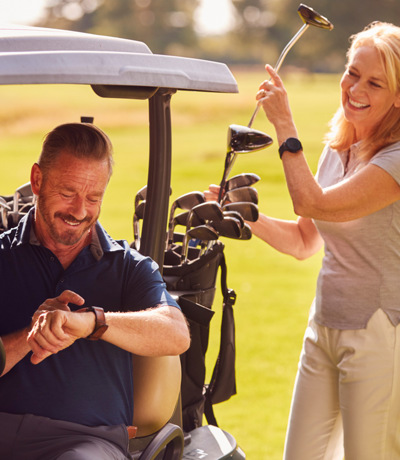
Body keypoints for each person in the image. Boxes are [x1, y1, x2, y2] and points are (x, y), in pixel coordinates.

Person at [207, 21, 400, 460]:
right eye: (352, 73)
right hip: (323, 327)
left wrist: (284, 124)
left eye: (375, 82)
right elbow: (303, 240)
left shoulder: (396, 160)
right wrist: (246, 215)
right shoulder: (339, 147)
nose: (356, 88)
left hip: (379, 335)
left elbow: (313, 203)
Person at [0, 122, 190, 460]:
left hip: (85, 443)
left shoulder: (129, 267)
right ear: (37, 180)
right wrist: (33, 332)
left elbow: (176, 334)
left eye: (93, 198)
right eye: (67, 193)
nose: (80, 211)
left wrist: (91, 324)